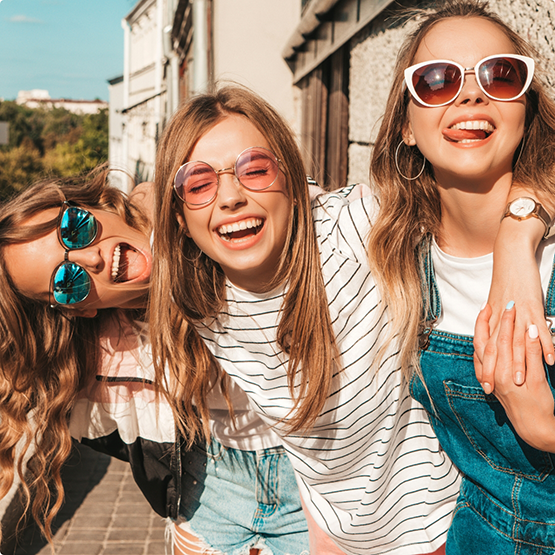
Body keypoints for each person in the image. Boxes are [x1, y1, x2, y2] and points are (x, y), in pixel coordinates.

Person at [150, 84, 462, 555]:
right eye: (199, 183)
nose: (230, 196)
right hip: (336, 538)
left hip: (439, 528)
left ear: (293, 180)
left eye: (254, 169)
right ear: (178, 217)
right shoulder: (199, 293)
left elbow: (477, 194)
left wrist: (523, 230)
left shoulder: (353, 229)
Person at [0, 167, 310, 555]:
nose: (92, 257)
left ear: (95, 205)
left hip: (318, 473)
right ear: (76, 310)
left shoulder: (201, 218)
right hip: (209, 495)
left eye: (74, 228)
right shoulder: (99, 367)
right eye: (65, 281)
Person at [367, 1, 555, 552]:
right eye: (436, 80)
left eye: (500, 74)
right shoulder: (399, 263)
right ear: (405, 123)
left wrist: (545, 427)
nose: (470, 94)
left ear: (525, 106)